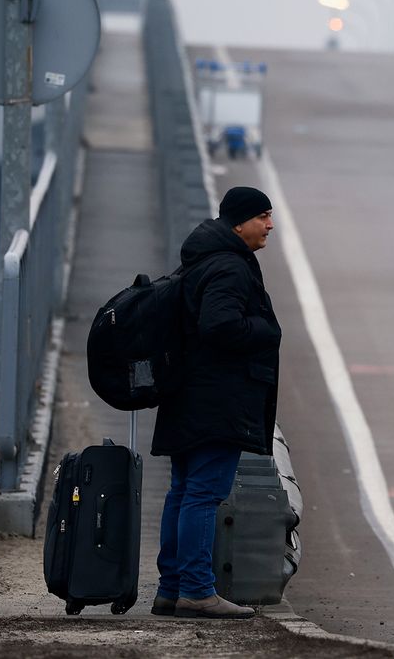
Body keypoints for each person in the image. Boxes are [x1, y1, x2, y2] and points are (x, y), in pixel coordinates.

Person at [150, 186, 282, 619]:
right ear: (239, 222)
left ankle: (171, 589)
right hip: (217, 399)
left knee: (184, 492)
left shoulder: (202, 258)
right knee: (204, 495)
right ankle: (196, 590)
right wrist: (266, 331)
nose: (270, 224)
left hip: (189, 394)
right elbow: (220, 325)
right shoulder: (229, 266)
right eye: (263, 216)